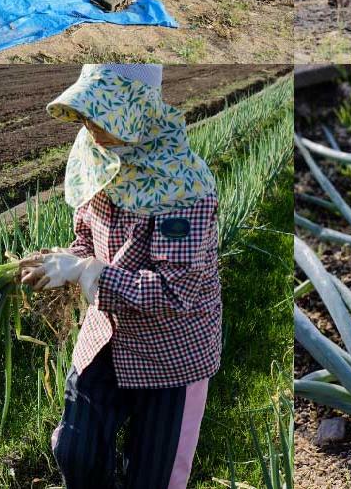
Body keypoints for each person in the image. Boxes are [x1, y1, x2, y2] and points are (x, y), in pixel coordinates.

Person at [18, 64, 221, 489]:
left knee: (155, 477)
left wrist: (88, 271)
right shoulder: (97, 158)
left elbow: (174, 291)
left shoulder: (183, 185)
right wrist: (62, 263)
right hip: (106, 335)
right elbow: (85, 239)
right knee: (77, 451)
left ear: (137, 112)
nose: (91, 127)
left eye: (102, 115)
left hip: (171, 353)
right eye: (88, 114)